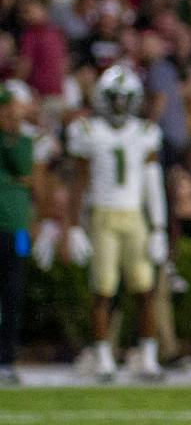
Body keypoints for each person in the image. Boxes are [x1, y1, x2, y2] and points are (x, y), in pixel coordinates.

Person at [64, 65, 169, 381]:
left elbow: (153, 182)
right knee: (103, 289)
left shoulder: (145, 132)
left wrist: (159, 227)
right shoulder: (88, 131)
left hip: (134, 215)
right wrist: (73, 225)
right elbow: (79, 181)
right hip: (102, 214)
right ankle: (104, 356)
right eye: (115, 98)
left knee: (144, 287)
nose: (121, 105)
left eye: (126, 99)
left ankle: (148, 356)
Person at [0, 84, 37, 385]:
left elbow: (25, 172)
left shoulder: (22, 141)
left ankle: (7, 358)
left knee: (12, 293)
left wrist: (11, 138)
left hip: (16, 227)